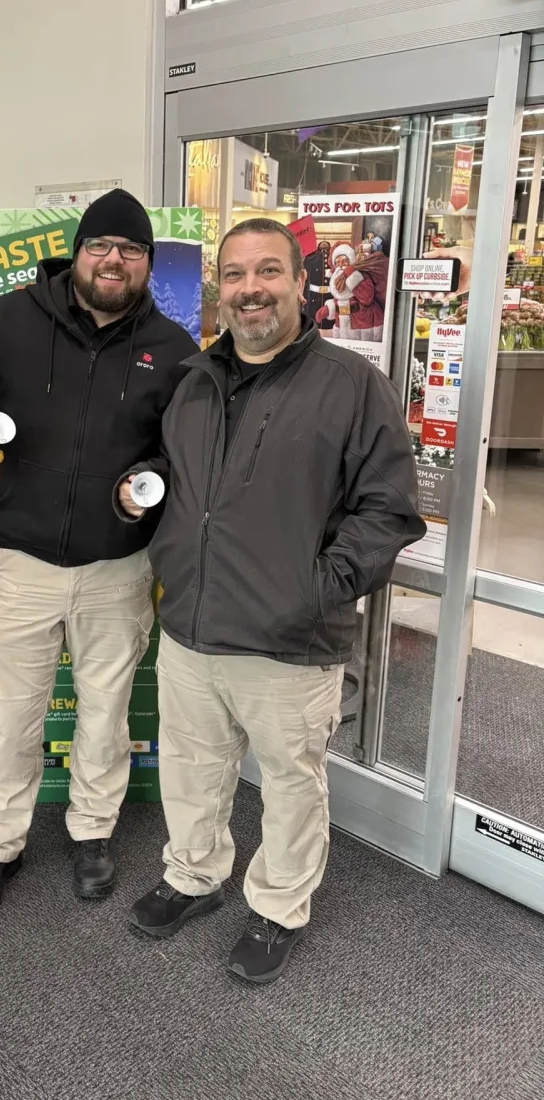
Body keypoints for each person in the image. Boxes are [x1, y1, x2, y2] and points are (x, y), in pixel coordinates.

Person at [117, 216, 425, 983]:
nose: (250, 289)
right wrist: (138, 493)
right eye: (235, 275)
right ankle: (193, 876)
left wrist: (314, 590)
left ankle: (279, 906)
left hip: (289, 639)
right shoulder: (194, 379)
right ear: (219, 290)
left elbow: (388, 511)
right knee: (192, 768)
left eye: (267, 272)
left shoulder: (353, 385)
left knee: (290, 784)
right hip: (190, 624)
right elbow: (175, 470)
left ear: (299, 283)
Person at [0, 189, 196, 921]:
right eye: (101, 246)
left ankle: (92, 834)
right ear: (77, 254)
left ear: (147, 264)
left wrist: (156, 484)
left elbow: (186, 454)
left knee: (106, 716)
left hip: (120, 569)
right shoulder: (14, 319)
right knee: (12, 718)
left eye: (131, 250)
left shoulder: (174, 350)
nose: (114, 260)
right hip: (23, 565)